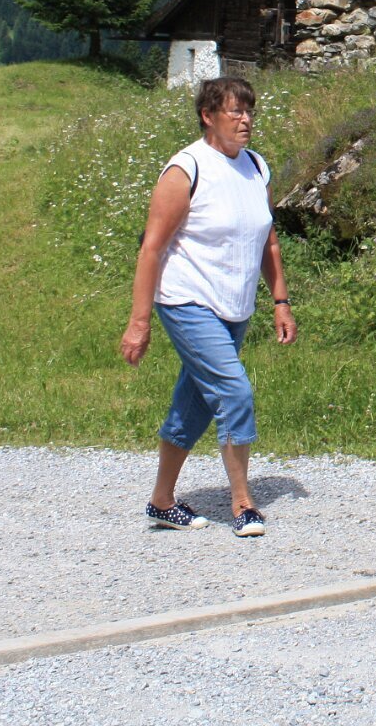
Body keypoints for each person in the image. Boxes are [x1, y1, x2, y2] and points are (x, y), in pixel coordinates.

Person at [121, 75, 297, 537]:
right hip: (187, 300)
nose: (246, 120)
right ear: (208, 115)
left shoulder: (256, 168)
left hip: (234, 305)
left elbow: (268, 240)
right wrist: (140, 322)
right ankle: (243, 504)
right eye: (235, 111)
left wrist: (280, 301)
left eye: (249, 111)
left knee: (195, 400)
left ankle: (162, 501)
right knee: (234, 392)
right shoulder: (186, 169)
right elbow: (151, 249)